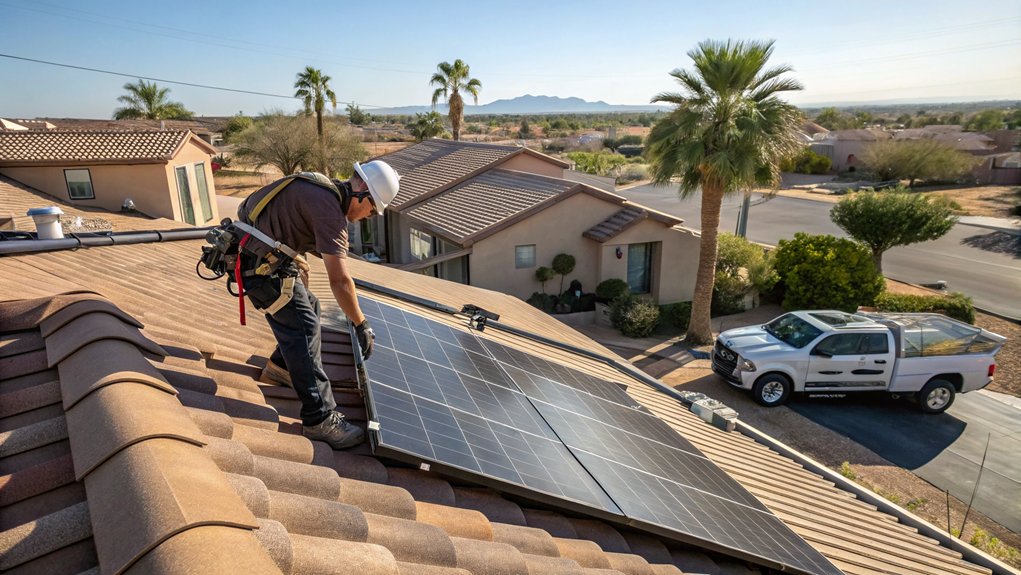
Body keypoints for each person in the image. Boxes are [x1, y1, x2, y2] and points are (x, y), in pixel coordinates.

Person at [237, 161, 399, 449]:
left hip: (259, 258)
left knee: (310, 306)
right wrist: (362, 323)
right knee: (304, 325)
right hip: (260, 271)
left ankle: (280, 367)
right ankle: (319, 418)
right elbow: (339, 281)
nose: (367, 217)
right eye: (372, 209)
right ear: (361, 190)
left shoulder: (321, 189)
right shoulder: (329, 210)